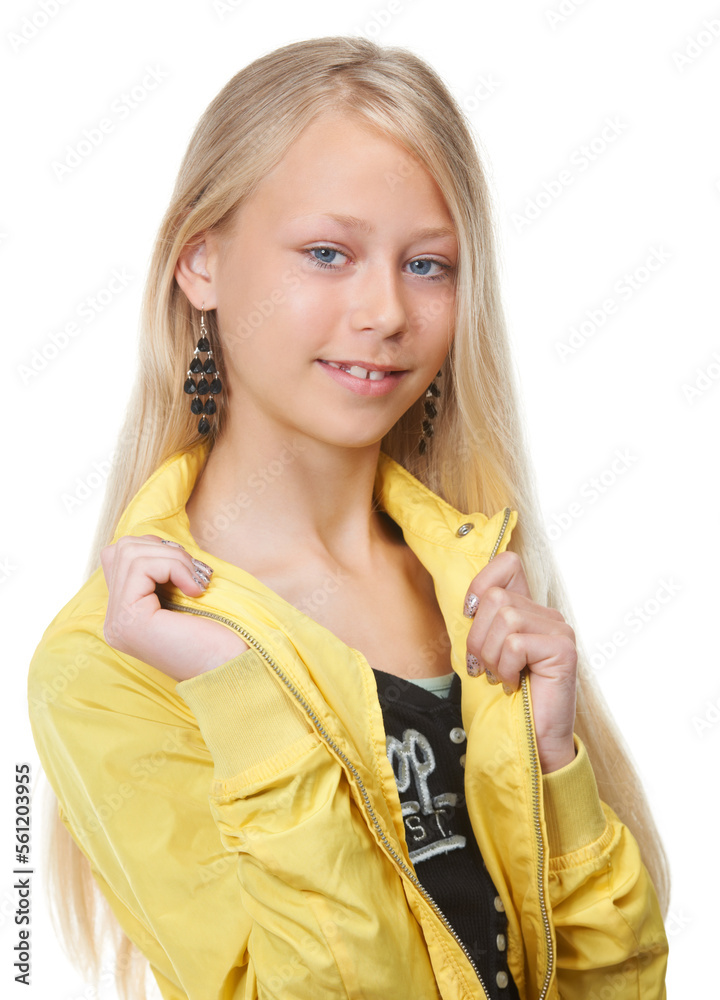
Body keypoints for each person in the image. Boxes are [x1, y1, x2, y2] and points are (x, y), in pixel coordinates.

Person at [28, 36, 670, 1000]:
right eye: (327, 253)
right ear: (200, 262)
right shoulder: (109, 665)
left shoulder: (477, 585)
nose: (386, 312)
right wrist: (244, 699)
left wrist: (551, 762)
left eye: (428, 264)